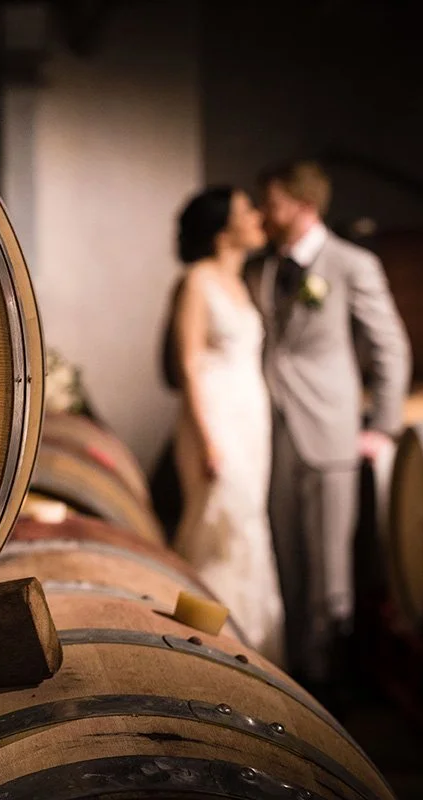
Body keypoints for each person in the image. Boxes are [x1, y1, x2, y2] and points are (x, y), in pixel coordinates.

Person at [248, 160, 410, 699]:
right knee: (286, 559)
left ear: (303, 205)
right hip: (273, 432)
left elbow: (391, 346)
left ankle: (333, 687)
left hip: (330, 430)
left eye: (271, 203)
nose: (263, 214)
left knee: (330, 572)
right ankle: (294, 678)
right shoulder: (263, 267)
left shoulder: (351, 264)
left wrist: (382, 426)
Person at [169, 186, 286, 665]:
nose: (258, 216)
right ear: (223, 229)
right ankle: (205, 652)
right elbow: (189, 364)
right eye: (246, 210)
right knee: (219, 530)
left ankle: (253, 654)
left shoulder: (241, 281)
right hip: (214, 421)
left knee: (249, 528)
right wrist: (208, 439)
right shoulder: (197, 280)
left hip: (249, 420)